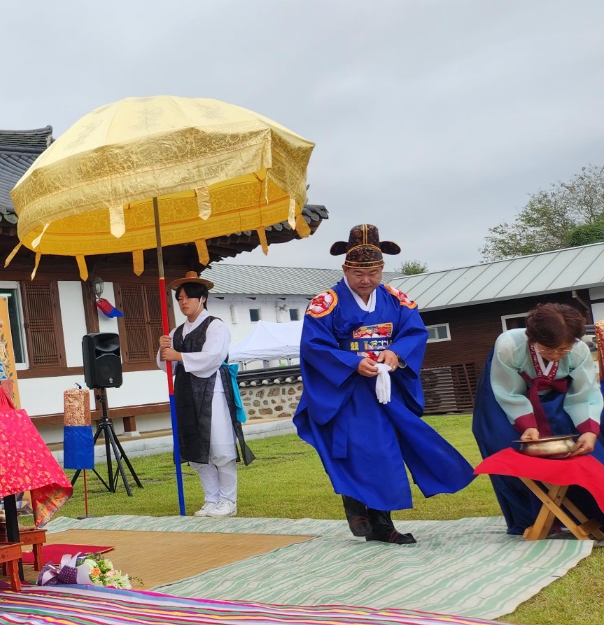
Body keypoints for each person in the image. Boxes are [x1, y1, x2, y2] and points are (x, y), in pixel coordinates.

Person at [295, 224, 474, 544]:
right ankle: (355, 505)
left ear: (382, 269)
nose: (366, 280)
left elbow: (414, 332)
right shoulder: (326, 302)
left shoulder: (396, 299)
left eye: (374, 273)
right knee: (352, 450)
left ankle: (381, 523)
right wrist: (353, 362)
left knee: (386, 452)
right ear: (345, 269)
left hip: (384, 389)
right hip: (345, 390)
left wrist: (396, 352)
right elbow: (314, 346)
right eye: (359, 273)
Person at [472, 303, 604, 534]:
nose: (555, 356)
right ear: (532, 338)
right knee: (504, 444)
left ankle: (590, 513)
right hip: (502, 393)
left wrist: (589, 430)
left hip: (556, 395)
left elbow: (584, 393)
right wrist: (527, 425)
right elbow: (508, 391)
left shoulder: (578, 350)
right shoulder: (509, 345)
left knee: (574, 444)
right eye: (548, 350)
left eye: (563, 351)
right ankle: (533, 518)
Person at [158, 271, 253, 516]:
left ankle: (228, 501)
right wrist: (164, 350)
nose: (183, 302)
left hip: (214, 392)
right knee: (196, 448)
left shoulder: (216, 326)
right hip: (186, 392)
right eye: (179, 299)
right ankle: (211, 499)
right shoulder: (177, 332)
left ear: (203, 299)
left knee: (219, 447)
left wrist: (178, 355)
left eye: (188, 297)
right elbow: (167, 365)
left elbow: (212, 358)